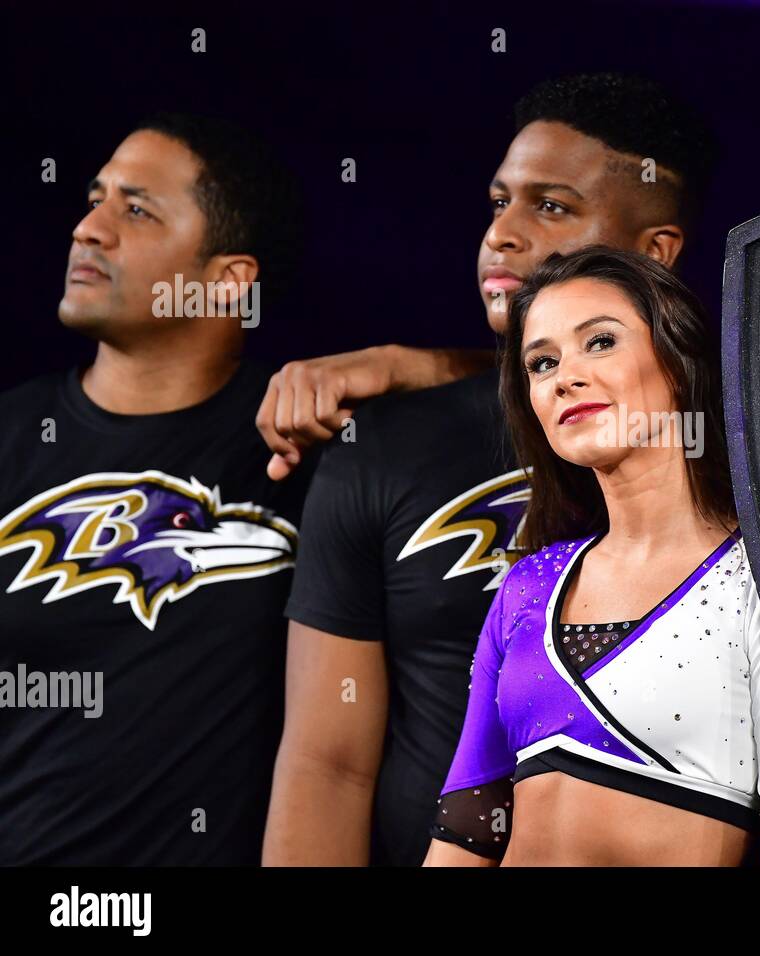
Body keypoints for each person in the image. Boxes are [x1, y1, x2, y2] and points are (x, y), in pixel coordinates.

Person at [261, 74, 719, 866]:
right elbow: (324, 765)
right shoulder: (385, 445)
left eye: (552, 206)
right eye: (498, 201)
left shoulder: (738, 446)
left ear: (657, 252)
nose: (501, 234)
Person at [424, 247, 760, 867]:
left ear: (676, 358)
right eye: (542, 363)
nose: (565, 376)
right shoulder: (528, 583)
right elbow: (465, 832)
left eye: (599, 343)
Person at [0, 113, 311, 864]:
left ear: (226, 281)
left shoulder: (308, 442)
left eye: (135, 209)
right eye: (95, 197)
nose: (87, 228)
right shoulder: (11, 435)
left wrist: (394, 368)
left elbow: (517, 389)